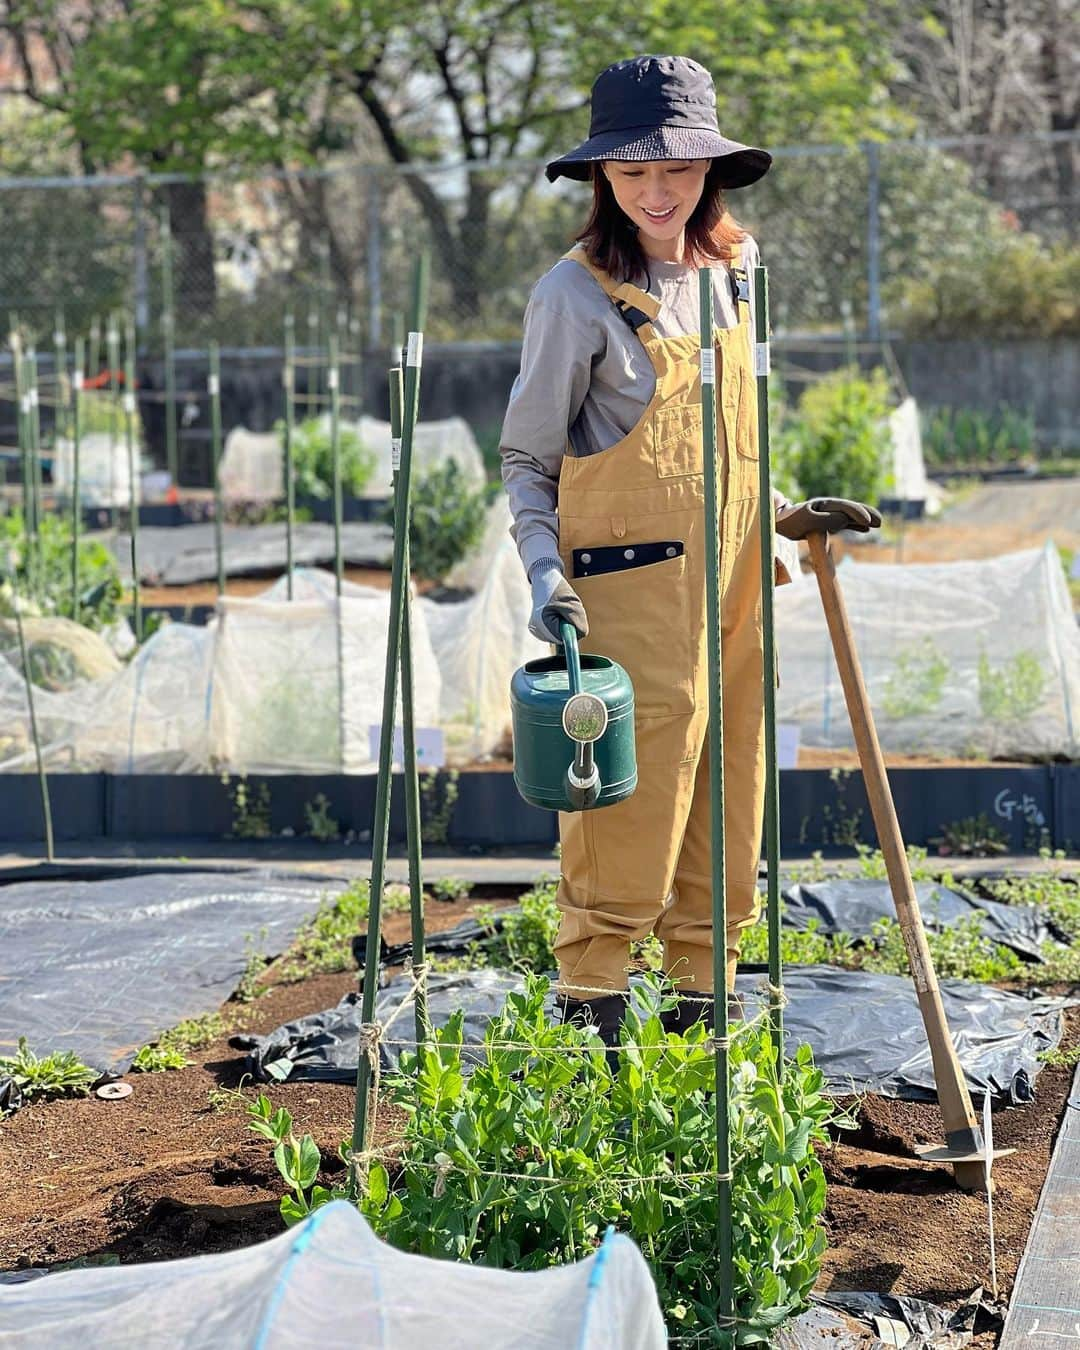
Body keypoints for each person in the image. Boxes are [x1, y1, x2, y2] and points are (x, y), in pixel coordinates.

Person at [499, 54, 881, 1043]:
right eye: (632, 175)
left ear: (711, 170)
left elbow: (729, 436)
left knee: (727, 788)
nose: (657, 194)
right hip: (622, 597)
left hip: (736, 583)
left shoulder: (735, 274)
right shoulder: (572, 298)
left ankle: (701, 1010)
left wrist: (789, 511)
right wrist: (543, 570)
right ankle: (595, 1016)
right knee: (621, 806)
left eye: (676, 172)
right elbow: (525, 459)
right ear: (601, 181)